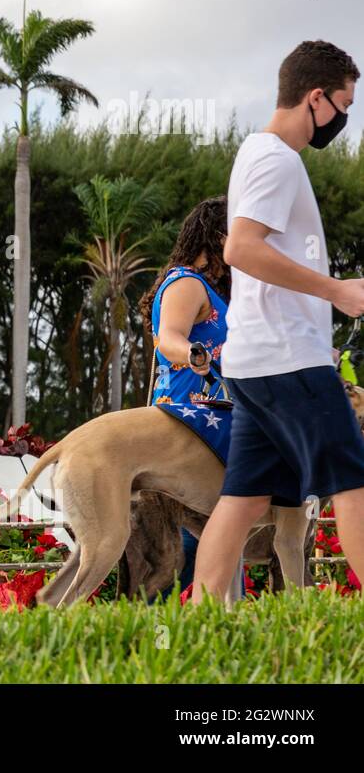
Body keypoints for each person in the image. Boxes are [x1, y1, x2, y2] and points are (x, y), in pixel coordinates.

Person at [191, 40, 364, 604]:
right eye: (343, 105)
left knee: (243, 498)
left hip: (254, 363)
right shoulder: (277, 159)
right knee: (352, 480)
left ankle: (202, 617)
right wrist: (336, 290)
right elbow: (240, 248)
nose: (343, 118)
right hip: (289, 357)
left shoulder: (255, 153)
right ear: (315, 98)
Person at [138, 196, 238, 595]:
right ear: (217, 237)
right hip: (186, 426)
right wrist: (193, 354)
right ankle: (162, 645)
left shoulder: (212, 291)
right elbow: (169, 339)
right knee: (180, 549)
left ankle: (196, 639)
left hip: (206, 427)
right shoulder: (186, 282)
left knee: (211, 541)